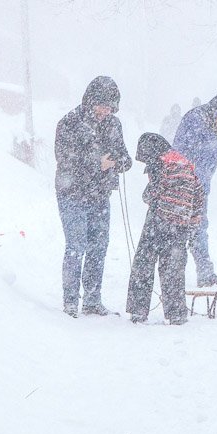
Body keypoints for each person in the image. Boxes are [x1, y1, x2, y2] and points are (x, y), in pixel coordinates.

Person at [54, 76, 132, 317]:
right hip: (73, 193)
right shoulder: (69, 122)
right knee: (76, 247)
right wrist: (98, 163)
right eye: (101, 105)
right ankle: (70, 302)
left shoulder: (114, 125)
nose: (105, 111)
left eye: (110, 107)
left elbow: (125, 158)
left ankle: (92, 300)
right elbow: (65, 159)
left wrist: (119, 162)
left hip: (100, 195)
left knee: (99, 247)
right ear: (90, 101)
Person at [126, 133, 204, 325]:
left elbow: (154, 192)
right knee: (173, 267)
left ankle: (138, 311)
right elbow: (199, 192)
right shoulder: (184, 162)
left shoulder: (160, 162)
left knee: (143, 263)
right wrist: (193, 218)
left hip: (160, 219)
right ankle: (176, 313)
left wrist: (147, 196)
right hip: (181, 223)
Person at [172, 88, 217, 286]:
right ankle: (172, 278)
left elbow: (211, 161)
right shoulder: (196, 120)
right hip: (181, 185)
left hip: (201, 186)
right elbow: (181, 152)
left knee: (199, 227)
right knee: (177, 231)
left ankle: (205, 272)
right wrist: (186, 181)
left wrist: (203, 183)